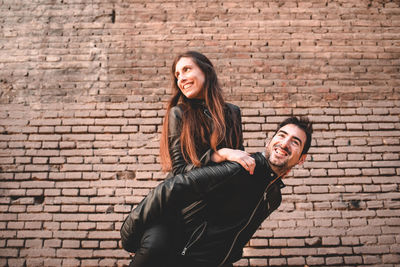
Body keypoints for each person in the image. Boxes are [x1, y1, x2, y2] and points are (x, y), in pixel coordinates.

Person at [121, 116, 313, 267]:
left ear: (301, 159)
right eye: (281, 135)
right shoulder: (240, 169)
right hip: (176, 257)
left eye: (295, 142)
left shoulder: (273, 197)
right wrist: (130, 237)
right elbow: (172, 188)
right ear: (270, 141)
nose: (285, 143)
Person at [125, 51, 255, 266]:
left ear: (206, 71)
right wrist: (220, 153)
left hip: (211, 213)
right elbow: (179, 171)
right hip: (173, 212)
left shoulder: (232, 113)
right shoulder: (179, 113)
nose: (181, 78)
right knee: (154, 250)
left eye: (186, 70)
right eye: (177, 74)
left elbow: (239, 166)